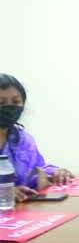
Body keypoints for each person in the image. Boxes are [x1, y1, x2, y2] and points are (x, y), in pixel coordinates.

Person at [0, 74, 73, 202]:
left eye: (16, 102)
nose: (10, 108)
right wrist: (4, 193)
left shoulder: (20, 139)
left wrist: (55, 173)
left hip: (21, 212)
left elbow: (37, 168)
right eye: (1, 103)